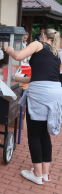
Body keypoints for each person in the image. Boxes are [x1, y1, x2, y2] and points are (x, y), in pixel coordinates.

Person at [6, 29, 62, 185]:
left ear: (43, 36)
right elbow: (42, 75)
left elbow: (18, 56)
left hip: (40, 94)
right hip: (55, 92)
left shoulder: (38, 44)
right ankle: (45, 174)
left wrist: (10, 50)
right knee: (44, 133)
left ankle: (37, 175)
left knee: (34, 133)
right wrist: (18, 78)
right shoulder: (56, 52)